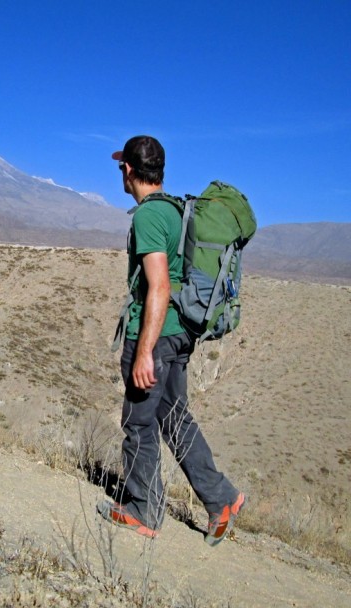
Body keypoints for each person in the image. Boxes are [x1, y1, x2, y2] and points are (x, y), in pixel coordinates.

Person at [97, 136, 244, 545]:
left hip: (157, 336)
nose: (119, 174)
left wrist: (143, 350)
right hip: (181, 333)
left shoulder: (148, 217)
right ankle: (222, 499)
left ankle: (143, 510)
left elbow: (158, 286)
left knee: (138, 422)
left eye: (120, 167)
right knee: (175, 418)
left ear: (128, 169)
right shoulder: (179, 211)